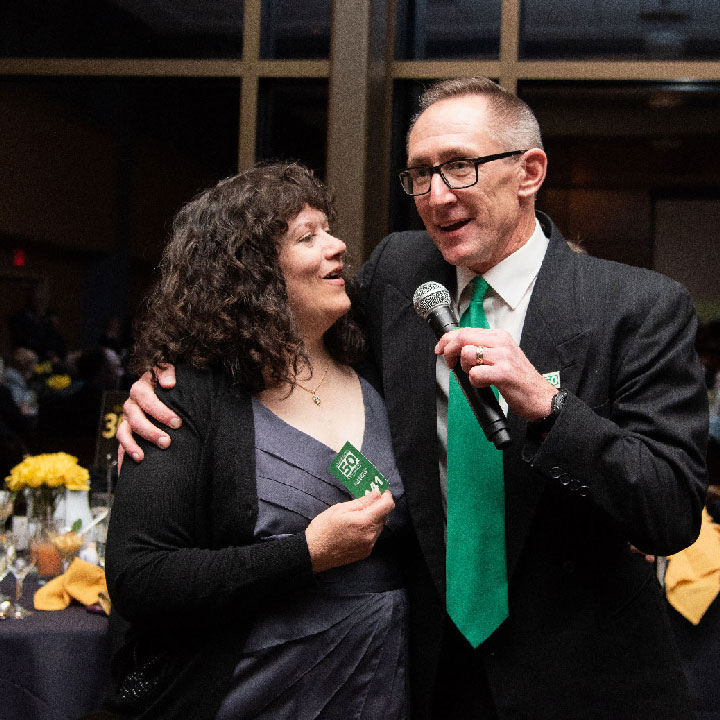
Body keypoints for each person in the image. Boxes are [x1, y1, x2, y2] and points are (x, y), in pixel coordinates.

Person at [118, 78, 708, 719]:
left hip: (588, 680)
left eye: (459, 166)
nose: (437, 195)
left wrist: (548, 407)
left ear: (529, 171)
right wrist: (162, 379)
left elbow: (672, 512)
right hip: (425, 677)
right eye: (420, 174)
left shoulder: (639, 307)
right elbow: (261, 321)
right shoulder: (401, 272)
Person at [104, 162, 410, 720]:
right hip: (253, 690)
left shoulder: (377, 369)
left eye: (329, 228)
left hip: (382, 683)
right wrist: (306, 554)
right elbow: (141, 578)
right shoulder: (185, 397)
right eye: (307, 236)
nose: (338, 245)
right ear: (250, 273)